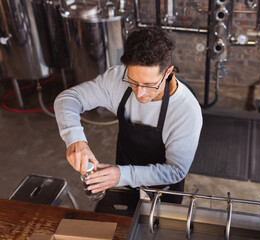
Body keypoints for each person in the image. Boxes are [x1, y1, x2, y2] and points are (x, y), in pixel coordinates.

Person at [54, 26, 203, 205]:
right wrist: (75, 139)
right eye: (133, 81)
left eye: (149, 84)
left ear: (168, 73)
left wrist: (123, 175)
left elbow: (176, 170)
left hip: (163, 191)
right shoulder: (116, 79)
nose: (140, 93)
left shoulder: (186, 110)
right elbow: (68, 98)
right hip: (124, 185)